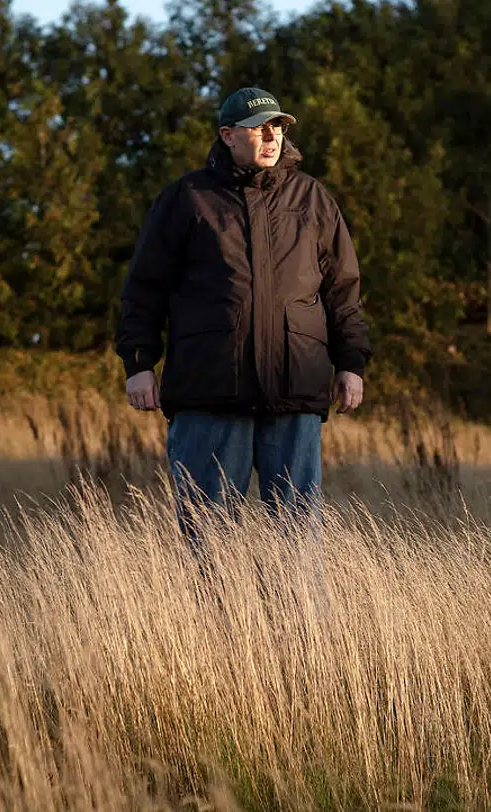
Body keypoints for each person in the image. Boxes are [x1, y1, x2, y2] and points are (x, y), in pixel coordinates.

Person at [116, 87, 372, 547]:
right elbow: (144, 289)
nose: (272, 136)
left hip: (294, 389)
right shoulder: (187, 199)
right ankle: (216, 622)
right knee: (209, 538)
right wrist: (138, 364)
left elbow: (343, 290)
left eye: (278, 127)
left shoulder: (311, 198)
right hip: (210, 391)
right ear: (228, 135)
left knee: (298, 540)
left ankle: (298, 623)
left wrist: (351, 364)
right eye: (259, 128)